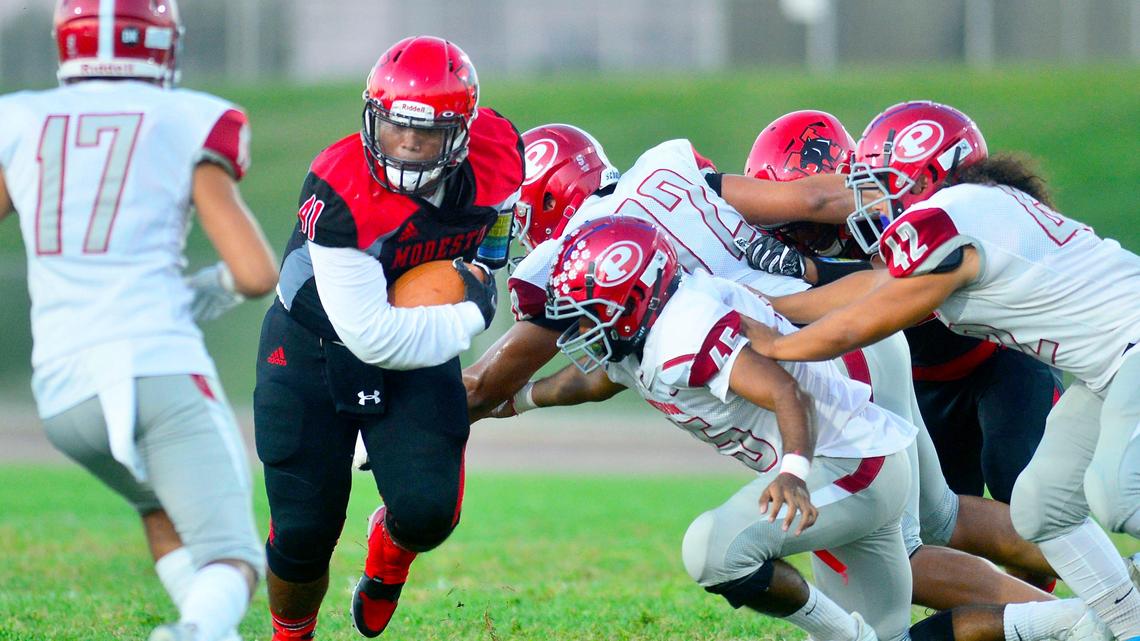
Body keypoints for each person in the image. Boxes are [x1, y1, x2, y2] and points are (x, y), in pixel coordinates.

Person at [466, 123, 1060, 612]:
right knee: (942, 516)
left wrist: (434, 408)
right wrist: (934, 207)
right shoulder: (660, 169)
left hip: (814, 364)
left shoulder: (590, 253)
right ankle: (1116, 586)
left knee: (896, 546)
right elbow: (816, 200)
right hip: (857, 337)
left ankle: (1085, 622)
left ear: (544, 199)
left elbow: (487, 381)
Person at [493, 216, 1108, 641]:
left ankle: (845, 634)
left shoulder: (685, 333)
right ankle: (1091, 623)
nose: (580, 331)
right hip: (856, 461)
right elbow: (608, 375)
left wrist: (791, 472)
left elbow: (783, 390)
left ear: (636, 299)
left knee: (713, 551)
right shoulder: (647, 330)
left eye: (591, 314)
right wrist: (520, 398)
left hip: (850, 466)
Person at [745, 100, 1140, 641]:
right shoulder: (974, 207)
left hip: (1133, 348)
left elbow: (862, 320)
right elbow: (874, 285)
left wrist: (774, 346)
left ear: (926, 171)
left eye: (883, 179)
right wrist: (765, 303)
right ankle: (1129, 625)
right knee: (1040, 509)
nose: (870, 197)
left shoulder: (946, 216)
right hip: (1106, 368)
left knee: (1120, 496)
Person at [0, 2, 278, 640]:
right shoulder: (186, 118)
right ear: (158, 44)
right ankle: (197, 631)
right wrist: (210, 288)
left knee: (160, 504)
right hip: (152, 366)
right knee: (234, 554)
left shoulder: (19, 115)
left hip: (62, 392)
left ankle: (204, 628)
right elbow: (256, 272)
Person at [253, 36, 518, 640]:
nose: (407, 144)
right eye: (396, 126)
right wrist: (473, 308)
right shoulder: (339, 185)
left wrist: (483, 266)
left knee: (427, 511)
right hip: (312, 341)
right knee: (302, 532)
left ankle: (387, 557)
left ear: (462, 134)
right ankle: (291, 634)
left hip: (415, 337)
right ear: (373, 116)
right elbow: (372, 337)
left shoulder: (500, 155)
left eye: (425, 133)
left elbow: (496, 230)